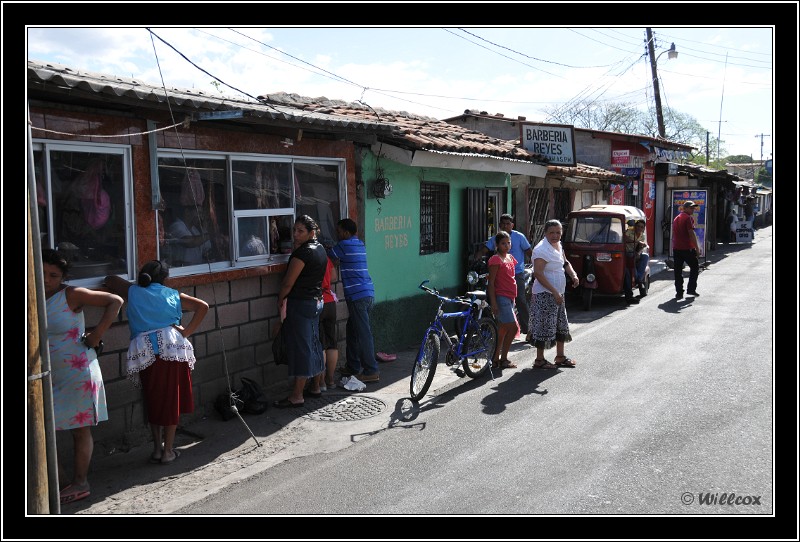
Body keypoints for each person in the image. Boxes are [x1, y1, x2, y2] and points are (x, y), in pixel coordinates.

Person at [104, 261, 208, 464]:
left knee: (153, 398)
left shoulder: (132, 291)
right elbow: (203, 306)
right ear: (165, 278)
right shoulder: (173, 294)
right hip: (172, 348)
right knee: (171, 400)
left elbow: (110, 279)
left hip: (145, 351)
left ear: (142, 276)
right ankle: (168, 451)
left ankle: (157, 449)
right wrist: (186, 332)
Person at [42, 249, 123, 505]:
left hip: (76, 372)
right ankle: (62, 482)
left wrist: (96, 335)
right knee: (41, 429)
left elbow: (115, 301)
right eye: (42, 273)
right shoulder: (31, 294)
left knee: (79, 429)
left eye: (53, 275)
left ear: (63, 277)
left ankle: (80, 483)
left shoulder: (71, 294)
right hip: (45, 375)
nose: (46, 279)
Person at [273, 215, 327, 407]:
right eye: (294, 230)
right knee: (314, 343)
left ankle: (297, 395)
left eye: (300, 231)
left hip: (301, 304)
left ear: (312, 233)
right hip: (315, 302)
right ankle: (316, 386)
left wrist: (280, 300)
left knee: (302, 349)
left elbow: (288, 283)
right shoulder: (320, 249)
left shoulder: (302, 254)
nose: (295, 234)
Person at [328, 218, 379, 383]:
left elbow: (328, 255)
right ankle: (352, 366)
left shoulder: (344, 245)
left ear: (346, 232)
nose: (338, 235)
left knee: (363, 334)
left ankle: (371, 370)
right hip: (367, 293)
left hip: (357, 296)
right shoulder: (360, 244)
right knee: (352, 330)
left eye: (339, 232)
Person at [528, 220, 580, 369]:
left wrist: (573, 275)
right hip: (545, 294)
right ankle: (540, 360)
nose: (555, 235)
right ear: (545, 233)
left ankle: (560, 356)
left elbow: (565, 262)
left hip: (558, 293)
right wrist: (554, 291)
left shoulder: (558, 245)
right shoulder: (541, 249)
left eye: (558, 232)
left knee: (560, 324)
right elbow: (538, 273)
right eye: (552, 232)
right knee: (544, 326)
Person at [474, 213, 532, 335]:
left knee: (520, 299)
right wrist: (476, 258)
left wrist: (538, 266)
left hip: (517, 273)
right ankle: (496, 329)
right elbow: (484, 250)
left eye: (508, 224)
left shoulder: (519, 237)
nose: (505, 226)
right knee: (495, 300)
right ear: (500, 225)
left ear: (512, 225)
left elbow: (529, 252)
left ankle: (528, 329)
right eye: (503, 224)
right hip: (500, 275)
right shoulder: (496, 238)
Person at [487, 230, 518, 369]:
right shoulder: (495, 260)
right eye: (503, 243)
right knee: (513, 328)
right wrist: (494, 303)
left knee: (503, 330)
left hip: (511, 298)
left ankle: (495, 359)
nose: (507, 245)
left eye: (508, 242)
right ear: (497, 245)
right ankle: (504, 358)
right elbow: (491, 283)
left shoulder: (510, 258)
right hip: (501, 298)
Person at [314, 254, 339, 391]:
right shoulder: (327, 259)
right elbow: (334, 277)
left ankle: (321, 382)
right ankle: (331, 379)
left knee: (321, 343)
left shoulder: (309, 257)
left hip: (318, 302)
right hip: (330, 303)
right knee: (332, 342)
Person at [672, 200, 701, 299]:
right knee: (695, 267)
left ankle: (679, 292)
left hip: (677, 248)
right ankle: (691, 289)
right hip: (687, 248)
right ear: (685, 208)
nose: (693, 209)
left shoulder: (676, 218)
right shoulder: (688, 218)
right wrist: (697, 248)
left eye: (693, 208)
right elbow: (691, 234)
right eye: (691, 208)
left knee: (678, 271)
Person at [623, 219, 649, 304]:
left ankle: (639, 278)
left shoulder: (643, 235)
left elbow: (642, 246)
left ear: (643, 228)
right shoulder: (629, 231)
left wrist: (639, 252)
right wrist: (638, 242)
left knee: (645, 256)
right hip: (626, 253)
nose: (639, 228)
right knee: (629, 266)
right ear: (635, 226)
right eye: (638, 226)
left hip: (634, 253)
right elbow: (625, 238)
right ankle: (638, 279)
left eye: (641, 227)